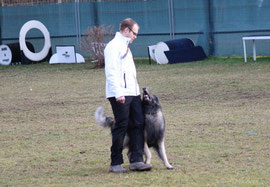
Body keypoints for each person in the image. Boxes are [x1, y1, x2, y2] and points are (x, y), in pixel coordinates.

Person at [104, 18, 152, 173]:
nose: (135, 37)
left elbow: (130, 74)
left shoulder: (126, 47)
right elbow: (111, 72)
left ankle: (136, 160)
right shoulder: (113, 47)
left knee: (138, 123)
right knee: (121, 126)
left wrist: (138, 92)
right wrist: (118, 93)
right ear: (126, 30)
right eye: (134, 33)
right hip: (119, 93)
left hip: (132, 92)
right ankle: (115, 162)